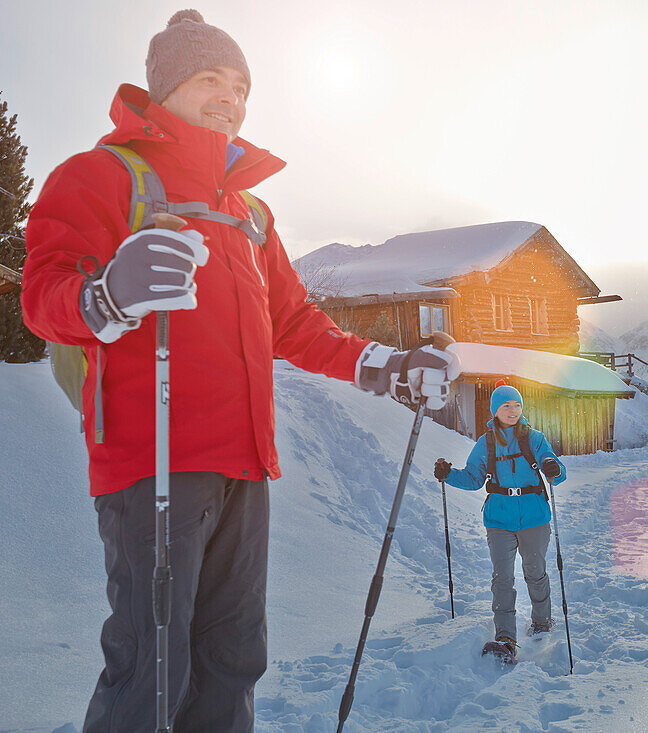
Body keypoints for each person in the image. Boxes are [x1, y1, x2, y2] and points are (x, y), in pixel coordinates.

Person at [20, 10, 459, 731]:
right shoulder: (100, 176)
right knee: (150, 673)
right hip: (152, 461)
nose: (231, 96)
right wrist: (107, 295)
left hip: (245, 468)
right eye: (210, 78)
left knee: (231, 664)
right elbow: (44, 296)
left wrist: (388, 362)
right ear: (164, 89)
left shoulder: (250, 213)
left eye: (241, 85)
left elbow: (295, 324)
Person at [434, 382, 565, 659]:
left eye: (517, 405)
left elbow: (554, 468)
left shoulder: (534, 438)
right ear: (495, 410)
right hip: (499, 520)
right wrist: (449, 474)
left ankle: (542, 622)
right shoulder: (486, 443)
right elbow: (473, 478)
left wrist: (554, 468)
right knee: (502, 579)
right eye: (506, 405)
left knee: (535, 572)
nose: (513, 410)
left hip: (534, 517)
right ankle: (505, 638)